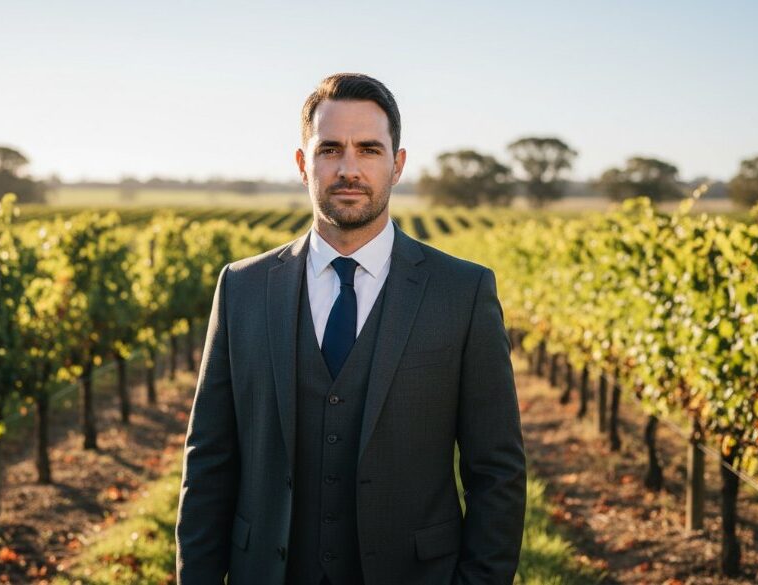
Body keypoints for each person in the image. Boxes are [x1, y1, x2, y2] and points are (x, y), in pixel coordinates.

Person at [176, 72, 526, 585]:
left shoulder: (463, 292)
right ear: (302, 163)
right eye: (330, 149)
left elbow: (497, 471)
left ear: (397, 164)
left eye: (368, 150)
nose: (349, 169)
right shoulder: (242, 288)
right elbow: (208, 462)